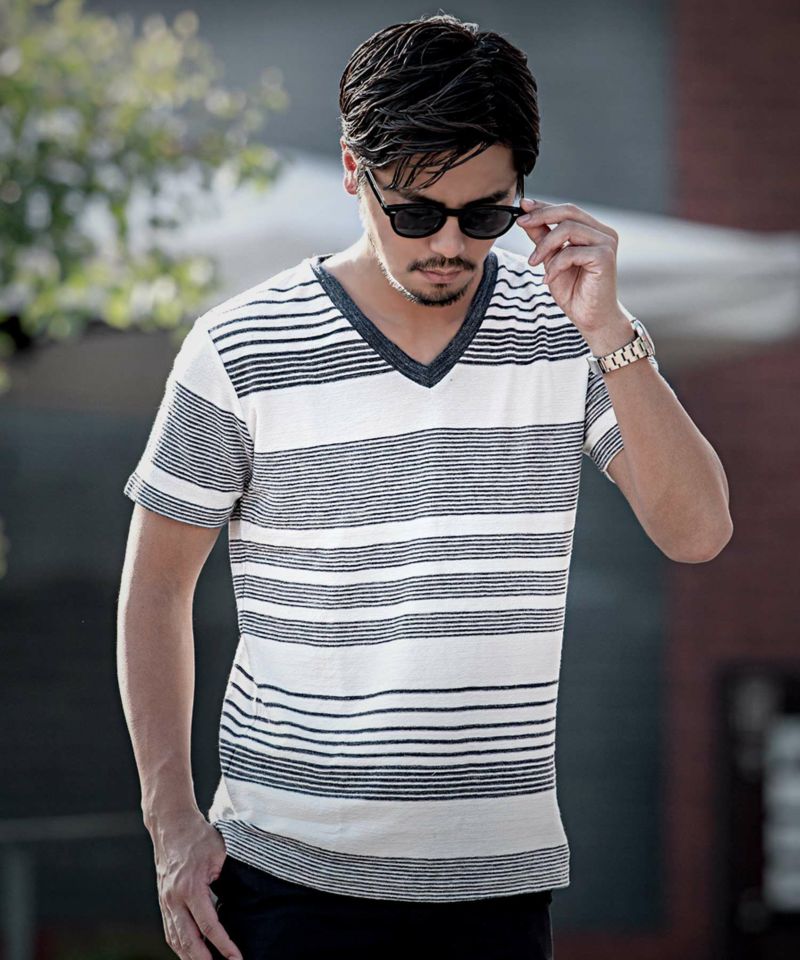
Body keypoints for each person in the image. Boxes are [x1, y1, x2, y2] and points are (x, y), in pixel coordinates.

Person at [116, 13, 733, 960]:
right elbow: (155, 591)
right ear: (354, 172)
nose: (449, 243)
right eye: (415, 213)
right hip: (284, 881)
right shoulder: (237, 347)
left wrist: (612, 332)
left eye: (484, 215)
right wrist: (170, 825)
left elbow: (698, 532)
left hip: (498, 888)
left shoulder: (568, 329)